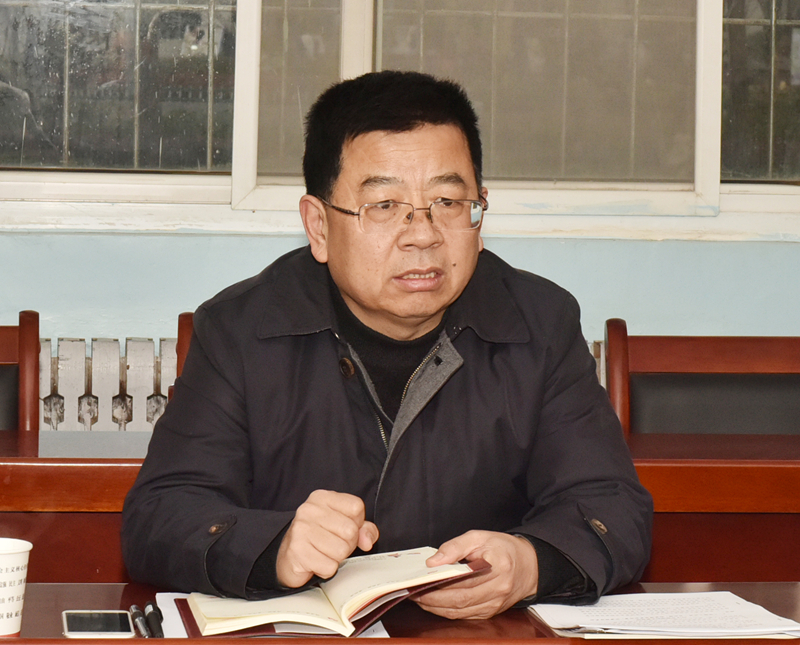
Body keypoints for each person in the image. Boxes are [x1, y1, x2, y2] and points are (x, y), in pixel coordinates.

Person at [122, 70, 652, 620]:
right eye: (383, 206)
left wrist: (531, 563)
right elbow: (160, 515)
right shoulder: (240, 330)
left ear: (479, 210)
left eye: (448, 201)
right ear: (318, 226)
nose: (423, 234)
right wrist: (275, 547)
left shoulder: (539, 324)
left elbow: (613, 507)